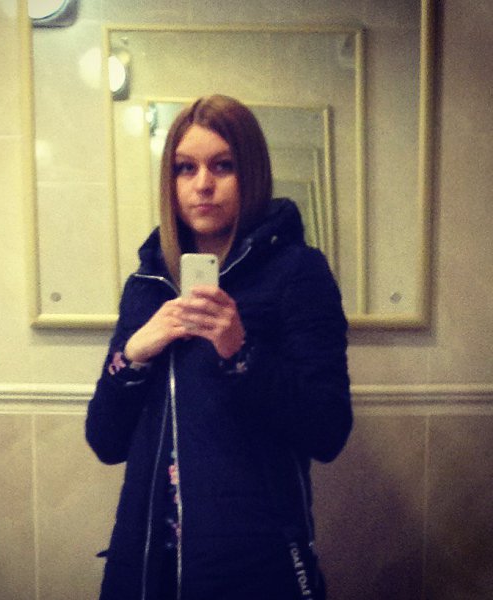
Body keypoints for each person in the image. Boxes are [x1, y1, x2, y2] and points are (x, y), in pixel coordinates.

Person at [86, 94, 352, 600]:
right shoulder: (147, 284)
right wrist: (135, 353)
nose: (202, 183)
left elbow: (328, 430)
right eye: (185, 168)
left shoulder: (297, 272)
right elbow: (105, 441)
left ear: (251, 172)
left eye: (222, 166)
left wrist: (241, 352)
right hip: (144, 565)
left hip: (255, 565)